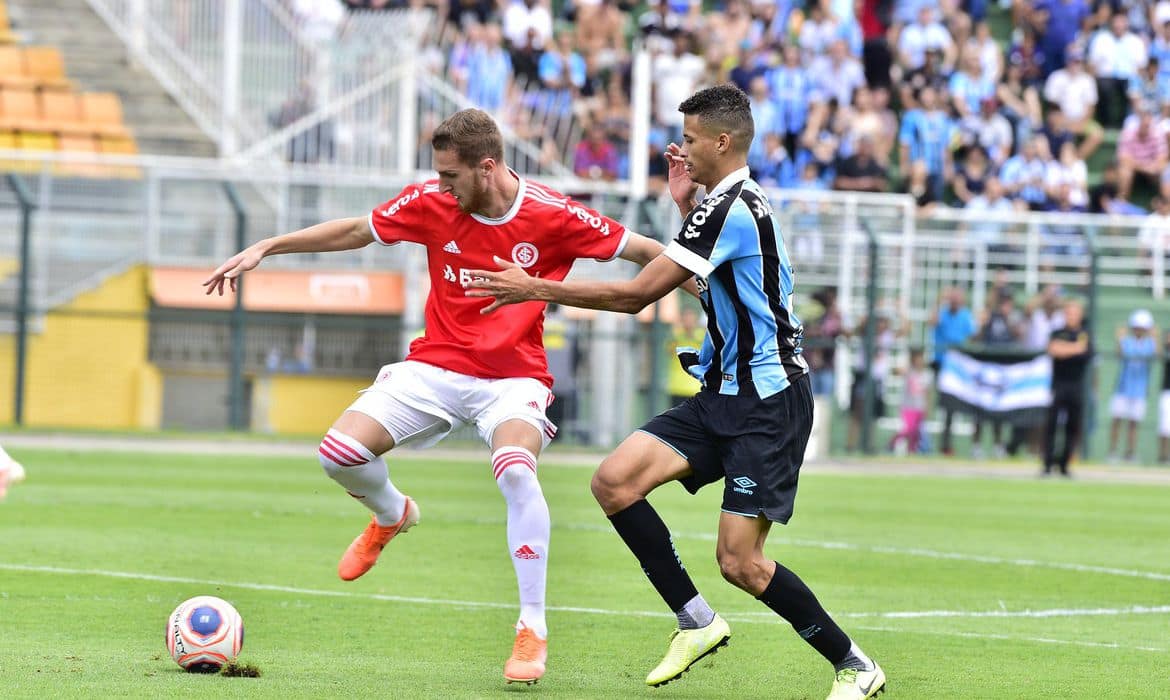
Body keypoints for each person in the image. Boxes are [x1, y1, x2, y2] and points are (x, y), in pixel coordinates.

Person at [202, 108, 681, 685]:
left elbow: (650, 252)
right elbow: (357, 230)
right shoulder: (430, 201)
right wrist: (268, 246)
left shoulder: (553, 215)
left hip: (514, 377)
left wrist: (696, 284)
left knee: (516, 471)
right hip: (435, 366)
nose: (442, 186)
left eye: (452, 176)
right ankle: (391, 513)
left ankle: (532, 629)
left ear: (487, 167)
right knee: (337, 454)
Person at [464, 84, 885, 700]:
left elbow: (638, 296)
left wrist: (535, 287)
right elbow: (700, 284)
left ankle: (854, 665)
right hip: (722, 393)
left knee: (741, 562)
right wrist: (685, 203)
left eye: (689, 139)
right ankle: (696, 620)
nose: (681, 150)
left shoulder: (730, 208)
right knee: (614, 481)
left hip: (767, 402)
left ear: (722, 141)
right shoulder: (721, 203)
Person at [1043, 299, 1093, 477]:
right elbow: (1053, 349)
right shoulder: (1057, 332)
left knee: (1072, 427)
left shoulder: (1085, 333)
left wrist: (1066, 350)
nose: (1071, 316)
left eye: (1074, 313)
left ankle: (1064, 465)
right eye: (1068, 312)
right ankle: (1047, 465)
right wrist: (1075, 349)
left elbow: (1086, 351)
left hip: (1076, 386)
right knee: (1051, 425)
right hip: (1058, 385)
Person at [931, 287, 977, 455]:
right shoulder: (942, 312)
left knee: (955, 407)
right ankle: (943, 445)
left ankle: (952, 445)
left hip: (959, 366)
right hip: (942, 365)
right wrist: (938, 300)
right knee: (944, 407)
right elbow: (932, 322)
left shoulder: (965, 315)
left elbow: (972, 335)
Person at [1108, 310, 1157, 463]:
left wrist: (1155, 338)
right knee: (1117, 420)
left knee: (1133, 423)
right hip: (1122, 388)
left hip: (1140, 390)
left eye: (1142, 328)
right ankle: (1112, 452)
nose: (1138, 330)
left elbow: (1154, 355)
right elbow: (1120, 354)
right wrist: (1119, 340)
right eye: (1136, 327)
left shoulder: (1150, 343)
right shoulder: (1126, 341)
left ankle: (1130, 453)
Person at [889, 347, 930, 455]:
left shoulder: (926, 374)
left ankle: (911, 451)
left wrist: (927, 407)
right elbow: (895, 371)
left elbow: (927, 393)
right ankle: (892, 444)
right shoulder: (909, 371)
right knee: (907, 430)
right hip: (908, 406)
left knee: (915, 432)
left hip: (919, 407)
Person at [666, 306, 704, 407]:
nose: (688, 322)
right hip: (677, 387)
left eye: (691, 319)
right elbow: (669, 350)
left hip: (695, 388)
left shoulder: (702, 335)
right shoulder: (676, 335)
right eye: (686, 318)